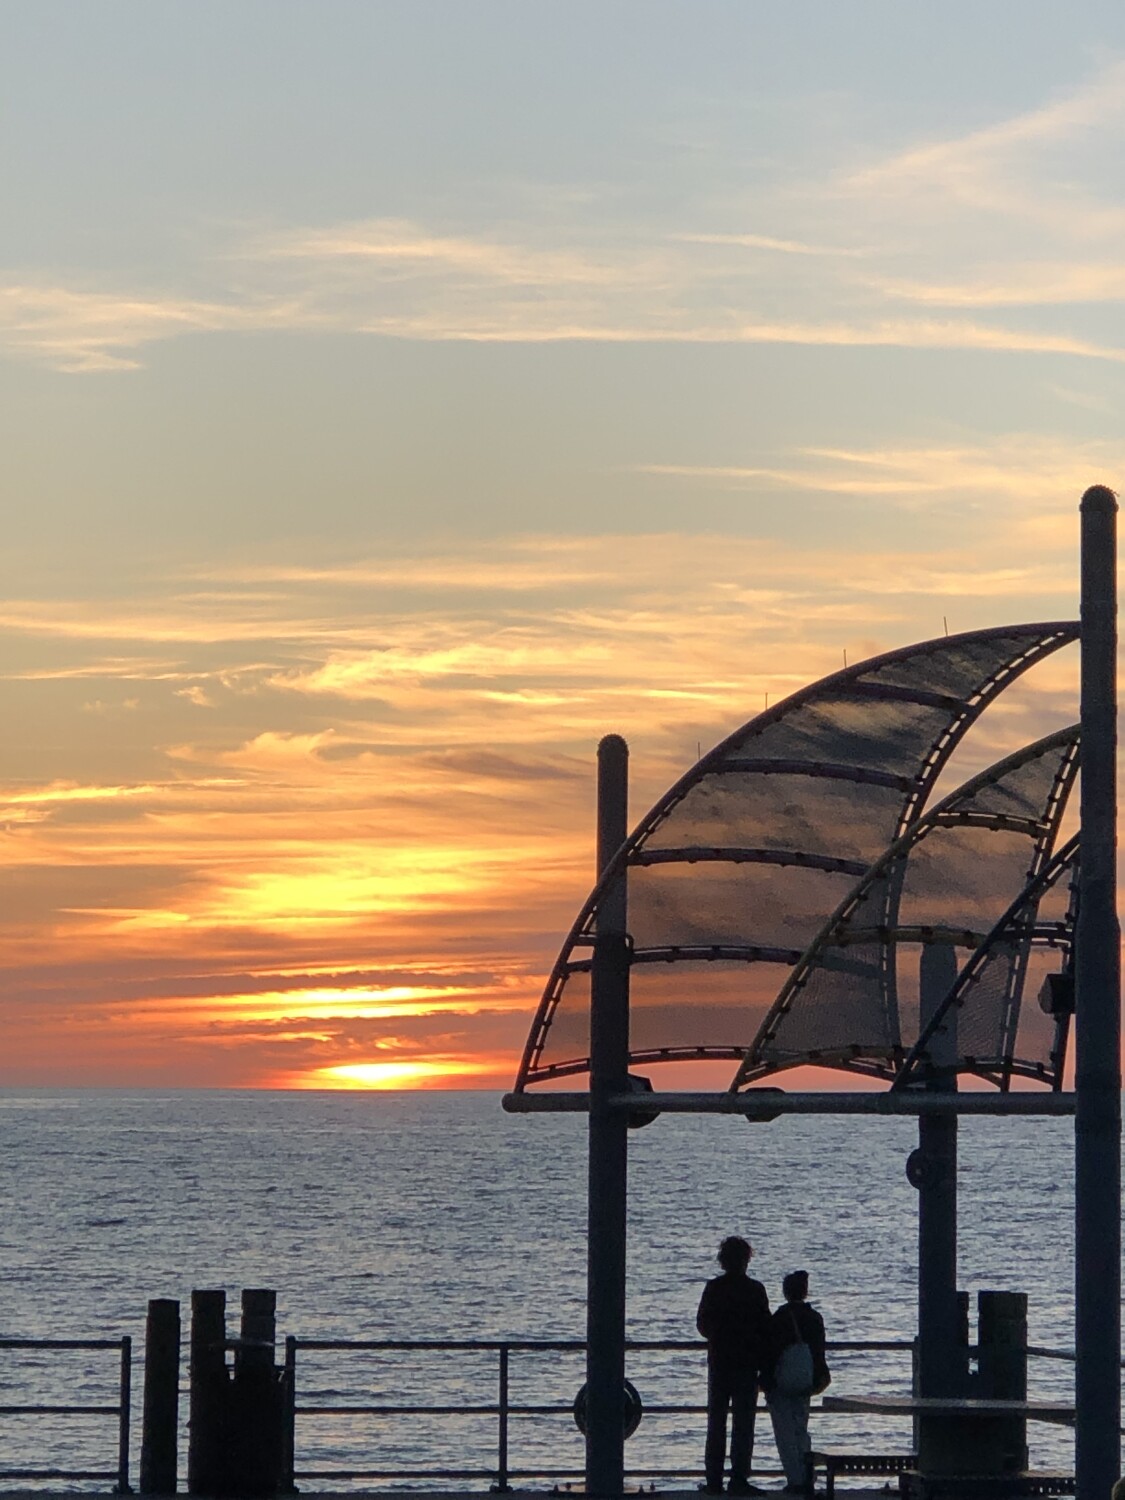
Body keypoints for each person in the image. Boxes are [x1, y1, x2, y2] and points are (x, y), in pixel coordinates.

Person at [696, 1235, 772, 1496]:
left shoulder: (714, 1288)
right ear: (746, 1260)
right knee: (743, 1424)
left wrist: (721, 1333)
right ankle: (739, 1478)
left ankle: (713, 1480)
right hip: (747, 1363)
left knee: (716, 1422)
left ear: (722, 1260)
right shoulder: (756, 1290)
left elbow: (702, 1326)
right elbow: (766, 1328)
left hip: (720, 1362)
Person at [762, 1270, 830, 1495]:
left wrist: (765, 1380)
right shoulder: (814, 1318)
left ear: (785, 1292)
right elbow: (819, 1352)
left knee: (785, 1432)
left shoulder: (779, 1318)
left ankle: (795, 1480)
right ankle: (807, 1475)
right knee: (801, 1429)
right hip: (805, 1380)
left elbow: (770, 1353)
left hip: (781, 1382)